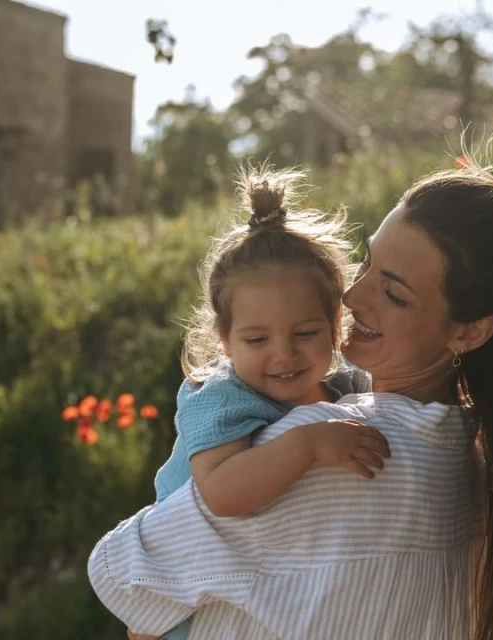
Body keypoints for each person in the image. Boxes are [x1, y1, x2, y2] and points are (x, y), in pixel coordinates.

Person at [89, 155, 493, 640]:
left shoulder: (335, 451)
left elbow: (121, 573)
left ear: (469, 331)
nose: (351, 298)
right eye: (369, 263)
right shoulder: (476, 462)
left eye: (394, 293)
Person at [136, 167, 391, 640]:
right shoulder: (220, 396)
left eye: (306, 333)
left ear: (336, 323)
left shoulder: (348, 387)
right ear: (225, 340)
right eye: (257, 339)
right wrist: (308, 445)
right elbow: (222, 493)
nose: (283, 354)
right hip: (193, 602)